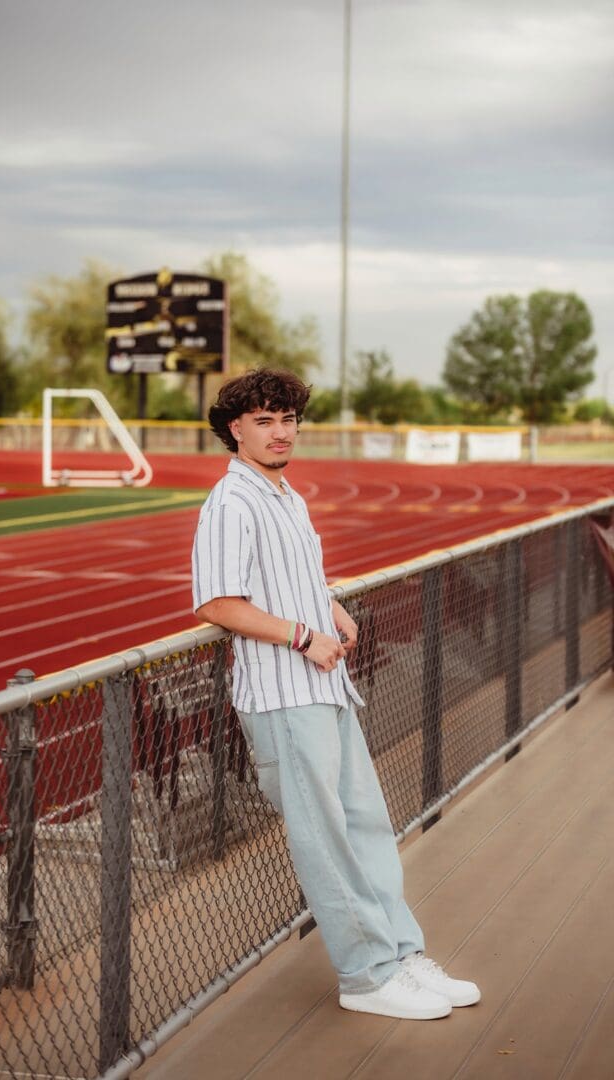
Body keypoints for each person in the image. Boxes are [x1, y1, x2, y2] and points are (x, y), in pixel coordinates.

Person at [190, 368, 479, 1021]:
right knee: (325, 837)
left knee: (366, 825)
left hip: (325, 686)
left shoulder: (285, 494)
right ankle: (365, 975)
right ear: (234, 429)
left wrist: (331, 606)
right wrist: (301, 635)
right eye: (265, 420)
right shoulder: (231, 502)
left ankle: (399, 953)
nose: (281, 431)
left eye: (288, 419)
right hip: (283, 697)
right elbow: (217, 601)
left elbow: (288, 578)